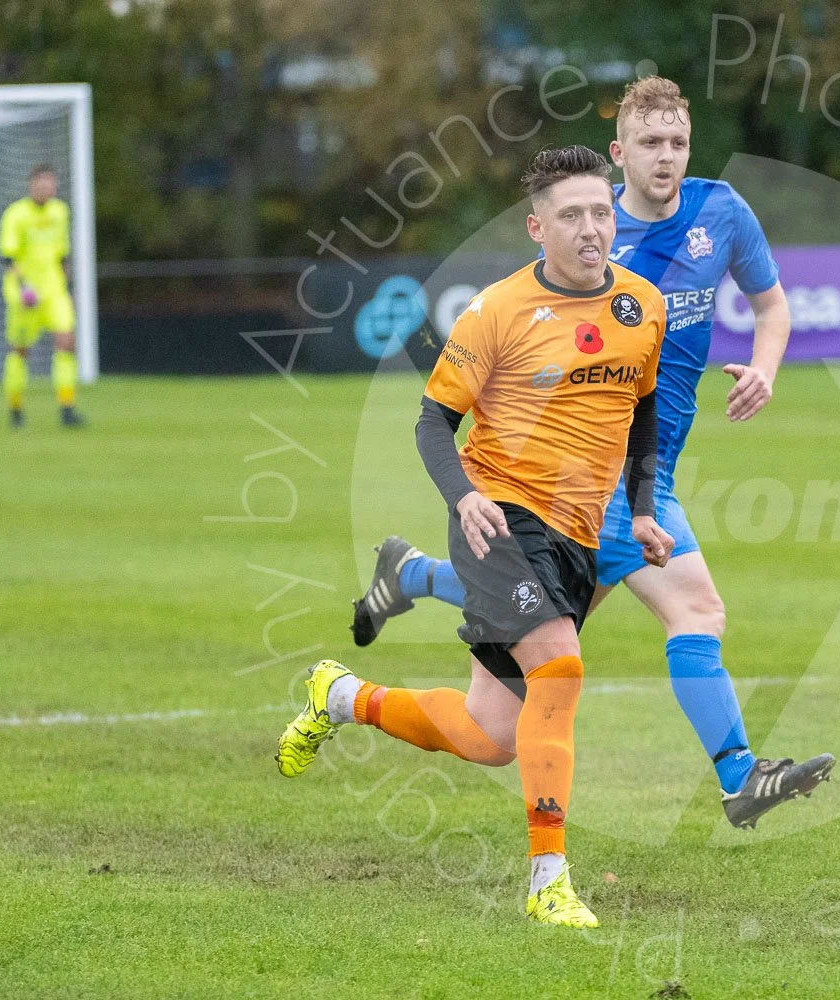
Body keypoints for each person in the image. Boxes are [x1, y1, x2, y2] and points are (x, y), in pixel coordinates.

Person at [350, 77, 834, 828]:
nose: (666, 157)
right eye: (650, 143)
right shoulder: (594, 242)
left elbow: (771, 306)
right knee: (694, 607)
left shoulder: (722, 213)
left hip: (649, 472)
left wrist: (763, 368)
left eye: (677, 142)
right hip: (587, 480)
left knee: (496, 717)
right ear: (619, 154)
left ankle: (408, 578)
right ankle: (736, 778)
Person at [277, 145, 672, 929]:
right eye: (572, 216)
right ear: (537, 227)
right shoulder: (496, 311)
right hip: (500, 515)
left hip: (578, 536)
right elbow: (432, 420)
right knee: (558, 669)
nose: (592, 228)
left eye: (601, 212)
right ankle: (547, 881)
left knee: (491, 734)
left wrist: (647, 509)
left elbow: (645, 411)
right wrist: (464, 499)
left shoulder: (642, 305)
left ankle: (343, 697)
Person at [0, 165, 84, 428]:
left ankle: (67, 408)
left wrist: (67, 291)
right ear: (32, 185)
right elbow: (7, 257)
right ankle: (15, 410)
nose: (47, 189)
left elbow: (62, 255)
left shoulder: (60, 212)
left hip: (54, 291)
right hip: (25, 295)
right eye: (42, 184)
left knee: (67, 342)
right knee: (20, 351)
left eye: (51, 185)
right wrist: (24, 287)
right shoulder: (16, 214)